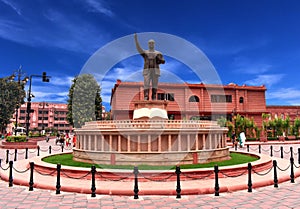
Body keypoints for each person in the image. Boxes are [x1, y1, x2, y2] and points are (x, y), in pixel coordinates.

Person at [134, 33, 165, 100]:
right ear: (148, 44)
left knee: (155, 84)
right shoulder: (145, 53)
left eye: (152, 43)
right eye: (150, 43)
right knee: (146, 84)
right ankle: (146, 96)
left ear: (154, 44)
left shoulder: (158, 53)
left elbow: (163, 61)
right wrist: (136, 40)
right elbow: (139, 49)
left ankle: (154, 96)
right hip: (147, 70)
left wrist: (159, 59)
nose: (151, 44)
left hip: (155, 70)